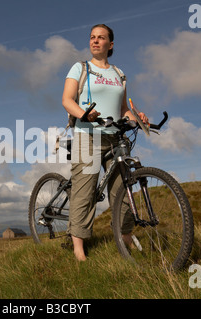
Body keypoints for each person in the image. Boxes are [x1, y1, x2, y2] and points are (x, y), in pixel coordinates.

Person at [62, 24, 149, 261]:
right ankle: (78, 245)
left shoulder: (119, 74)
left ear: (111, 45)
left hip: (116, 138)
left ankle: (126, 235)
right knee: (85, 190)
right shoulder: (80, 68)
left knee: (123, 187)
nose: (95, 41)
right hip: (87, 135)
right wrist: (83, 113)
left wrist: (138, 118)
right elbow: (67, 100)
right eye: (92, 37)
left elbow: (123, 111)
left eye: (101, 38)